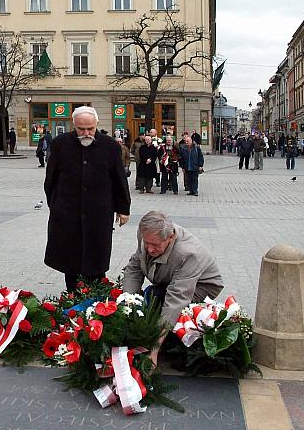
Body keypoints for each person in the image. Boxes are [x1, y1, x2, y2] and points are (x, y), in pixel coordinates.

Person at [44, 106, 131, 292]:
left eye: (90, 129)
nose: (86, 133)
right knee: (71, 262)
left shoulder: (110, 146)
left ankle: (97, 303)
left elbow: (119, 180)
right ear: (73, 125)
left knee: (97, 260)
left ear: (96, 125)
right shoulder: (60, 144)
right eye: (81, 129)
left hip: (99, 213)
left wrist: (123, 208)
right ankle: (73, 297)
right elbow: (50, 179)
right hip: (68, 213)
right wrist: (56, 205)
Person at [122, 211, 223, 328]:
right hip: (170, 277)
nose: (150, 249)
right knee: (150, 299)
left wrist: (157, 339)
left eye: (155, 245)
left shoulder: (187, 254)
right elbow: (134, 268)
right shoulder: (145, 233)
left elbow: (177, 298)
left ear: (171, 237)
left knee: (162, 306)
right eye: (147, 243)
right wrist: (129, 303)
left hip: (201, 285)